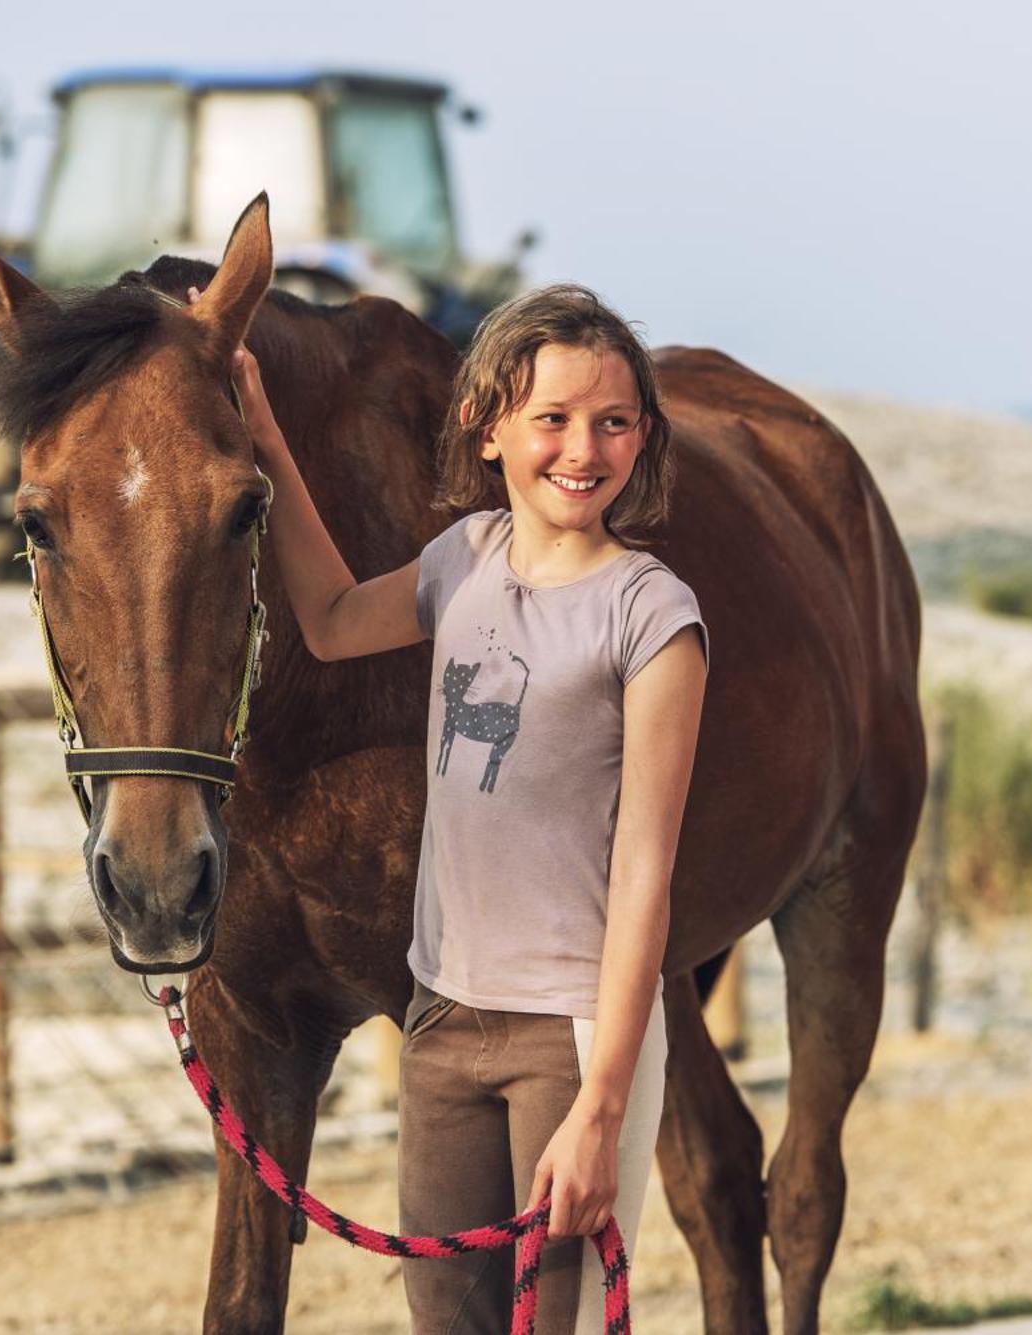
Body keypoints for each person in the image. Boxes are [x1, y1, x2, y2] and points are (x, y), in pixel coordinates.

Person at [189, 280, 708, 1333]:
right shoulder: (458, 561)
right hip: (440, 1025)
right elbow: (331, 621)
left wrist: (602, 1108)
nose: (581, 448)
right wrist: (268, 446)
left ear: (641, 439)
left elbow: (645, 869)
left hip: (568, 1037)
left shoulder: (651, 613)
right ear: (488, 429)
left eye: (612, 423)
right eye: (551, 419)